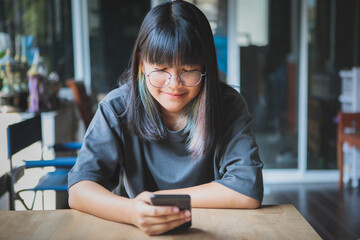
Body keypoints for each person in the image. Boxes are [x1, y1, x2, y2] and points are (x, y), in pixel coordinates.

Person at [68, 0, 263, 236]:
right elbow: (79, 189)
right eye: (161, 69)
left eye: (188, 69)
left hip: (213, 231)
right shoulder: (116, 107)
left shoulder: (228, 105)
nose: (174, 84)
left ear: (205, 66)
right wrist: (132, 211)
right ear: (141, 64)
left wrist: (157, 200)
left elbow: (247, 189)